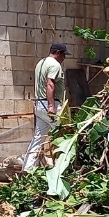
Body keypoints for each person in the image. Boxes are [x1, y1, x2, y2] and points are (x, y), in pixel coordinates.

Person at [24, 42, 68, 170]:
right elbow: (50, 84)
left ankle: (27, 169)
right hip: (50, 105)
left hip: (39, 104)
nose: (64, 58)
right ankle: (63, 169)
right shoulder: (54, 65)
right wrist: (51, 106)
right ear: (58, 53)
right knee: (64, 135)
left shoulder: (41, 62)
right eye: (63, 54)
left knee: (38, 138)